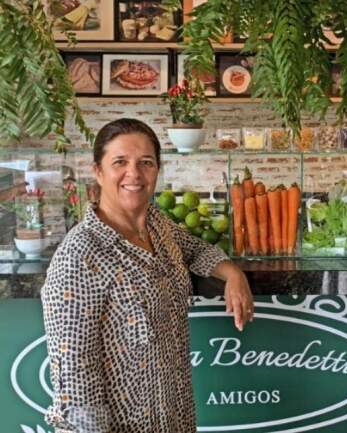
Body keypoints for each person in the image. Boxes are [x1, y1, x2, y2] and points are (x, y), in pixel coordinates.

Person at [41, 118, 254, 433]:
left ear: (157, 169)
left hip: (176, 417)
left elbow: (194, 249)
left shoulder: (156, 224)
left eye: (145, 162)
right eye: (120, 162)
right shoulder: (79, 256)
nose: (134, 174)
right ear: (98, 171)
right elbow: (76, 384)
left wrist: (233, 274)